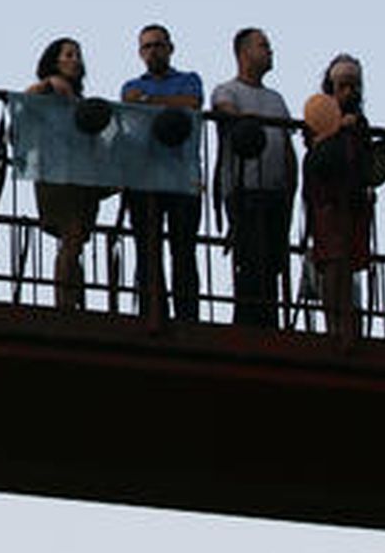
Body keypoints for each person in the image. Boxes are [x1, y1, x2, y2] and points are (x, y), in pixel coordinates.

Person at [210, 28, 297, 330]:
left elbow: (287, 145)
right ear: (243, 52)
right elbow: (227, 114)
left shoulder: (276, 99)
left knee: (272, 260)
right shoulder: (227, 90)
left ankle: (270, 322)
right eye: (264, 46)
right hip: (245, 190)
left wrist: (292, 187)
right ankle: (249, 325)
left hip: (276, 191)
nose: (270, 51)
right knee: (251, 259)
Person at [120, 24, 203, 322]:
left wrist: (146, 102)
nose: (153, 51)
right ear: (140, 53)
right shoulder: (131, 85)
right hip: (144, 178)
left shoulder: (189, 80)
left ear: (170, 48)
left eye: (158, 45)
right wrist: (164, 105)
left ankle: (186, 317)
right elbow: (130, 113)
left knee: (184, 250)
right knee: (148, 250)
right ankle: (153, 313)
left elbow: (192, 104)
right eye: (147, 46)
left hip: (182, 177)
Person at [303, 55, 383, 338]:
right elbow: (315, 156)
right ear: (332, 86)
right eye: (343, 85)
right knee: (332, 264)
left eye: (354, 85)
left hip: (353, 202)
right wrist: (338, 129)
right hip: (328, 202)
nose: (349, 92)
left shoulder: (360, 122)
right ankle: (334, 326)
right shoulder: (319, 111)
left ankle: (348, 325)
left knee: (349, 265)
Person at [25, 37, 102, 311]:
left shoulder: (79, 99)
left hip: (81, 174)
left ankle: (72, 299)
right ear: (54, 61)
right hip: (58, 173)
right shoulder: (50, 90)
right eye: (68, 54)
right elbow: (27, 98)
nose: (75, 59)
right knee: (70, 236)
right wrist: (49, 84)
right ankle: (65, 303)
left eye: (77, 55)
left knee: (76, 239)